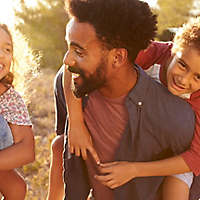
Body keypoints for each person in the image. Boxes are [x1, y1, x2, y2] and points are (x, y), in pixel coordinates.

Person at [59, 0, 199, 199]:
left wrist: (134, 170)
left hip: (184, 155)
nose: (184, 79)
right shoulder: (152, 54)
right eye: (183, 65)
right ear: (174, 51)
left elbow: (194, 158)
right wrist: (75, 123)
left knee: (179, 184)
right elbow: (74, 65)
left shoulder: (187, 114)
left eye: (198, 77)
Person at [0, 24, 35, 200]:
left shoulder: (10, 98)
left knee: (16, 186)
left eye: (7, 49)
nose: (1, 55)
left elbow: (27, 150)